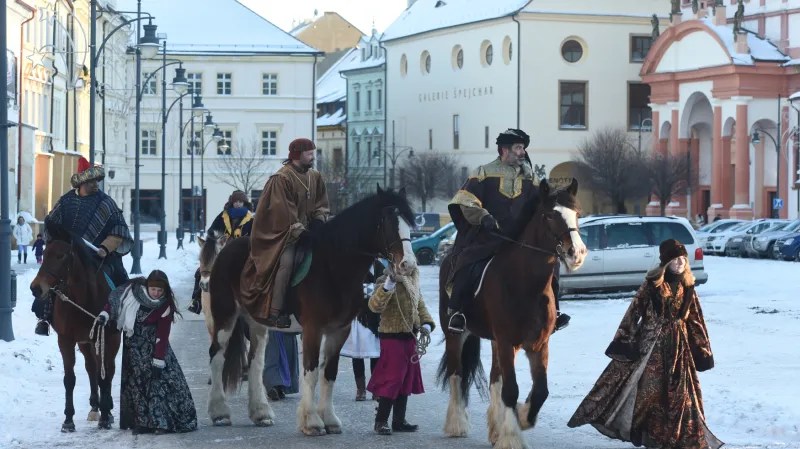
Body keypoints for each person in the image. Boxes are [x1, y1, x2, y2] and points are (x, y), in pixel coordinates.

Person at [567, 239, 722, 449]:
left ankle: (681, 437)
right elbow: (634, 312)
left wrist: (703, 350)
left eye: (683, 259)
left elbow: (696, 320)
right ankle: (649, 434)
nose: (681, 263)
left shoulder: (688, 287)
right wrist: (624, 340)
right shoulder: (652, 285)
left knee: (682, 395)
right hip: (651, 347)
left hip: (679, 348)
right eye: (676, 259)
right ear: (665, 262)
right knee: (651, 393)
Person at [445, 128, 570, 335]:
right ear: (504, 150)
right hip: (488, 237)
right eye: (518, 148)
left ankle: (553, 312)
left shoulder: (531, 178)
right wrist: (483, 216)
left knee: (550, 264)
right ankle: (458, 312)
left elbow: (543, 204)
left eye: (523, 148)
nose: (522, 153)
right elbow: (466, 200)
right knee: (466, 263)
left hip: (520, 240)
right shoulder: (483, 172)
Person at [32, 157, 133, 336]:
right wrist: (56, 242)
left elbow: (118, 230)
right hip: (68, 255)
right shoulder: (65, 202)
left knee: (121, 279)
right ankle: (44, 318)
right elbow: (50, 224)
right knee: (49, 278)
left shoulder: (106, 202)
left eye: (96, 181)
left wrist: (105, 248)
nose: (96, 185)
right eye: (92, 182)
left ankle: (124, 317)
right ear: (82, 182)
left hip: (99, 256)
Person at [240, 138, 330, 328]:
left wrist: (319, 221)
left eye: (313, 153)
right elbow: (283, 213)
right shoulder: (281, 179)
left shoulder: (315, 176)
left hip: (311, 233)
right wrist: (300, 231)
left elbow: (322, 204)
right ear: (298, 155)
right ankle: (275, 311)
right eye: (309, 154)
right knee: (287, 264)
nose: (313, 157)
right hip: (284, 235)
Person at [98, 270, 198, 435]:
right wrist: (105, 315)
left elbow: (163, 334)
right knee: (136, 387)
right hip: (133, 350)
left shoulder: (164, 305)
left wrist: (159, 359)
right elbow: (115, 302)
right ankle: (142, 423)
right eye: (154, 290)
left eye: (160, 291)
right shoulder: (132, 293)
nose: (156, 293)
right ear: (147, 287)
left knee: (157, 386)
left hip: (154, 350)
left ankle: (161, 423)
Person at [366, 263, 435, 435]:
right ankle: (380, 421)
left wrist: (426, 324)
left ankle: (398, 420)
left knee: (406, 379)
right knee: (392, 378)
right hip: (391, 337)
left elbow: (420, 307)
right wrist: (389, 284)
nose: (405, 268)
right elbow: (374, 306)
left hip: (410, 337)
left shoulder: (412, 282)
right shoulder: (384, 280)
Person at [188, 190, 254, 314]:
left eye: (241, 202)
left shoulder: (250, 219)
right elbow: (211, 232)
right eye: (236, 202)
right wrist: (220, 239)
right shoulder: (223, 216)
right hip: (222, 254)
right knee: (200, 273)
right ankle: (196, 302)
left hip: (243, 256)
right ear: (231, 202)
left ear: (245, 203)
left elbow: (255, 237)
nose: (238, 204)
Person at [341, 259, 383, 401]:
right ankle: (360, 389)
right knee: (357, 355)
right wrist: (374, 290)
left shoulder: (379, 267)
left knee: (376, 355)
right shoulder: (354, 265)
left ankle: (375, 388)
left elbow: (385, 290)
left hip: (376, 319)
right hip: (358, 317)